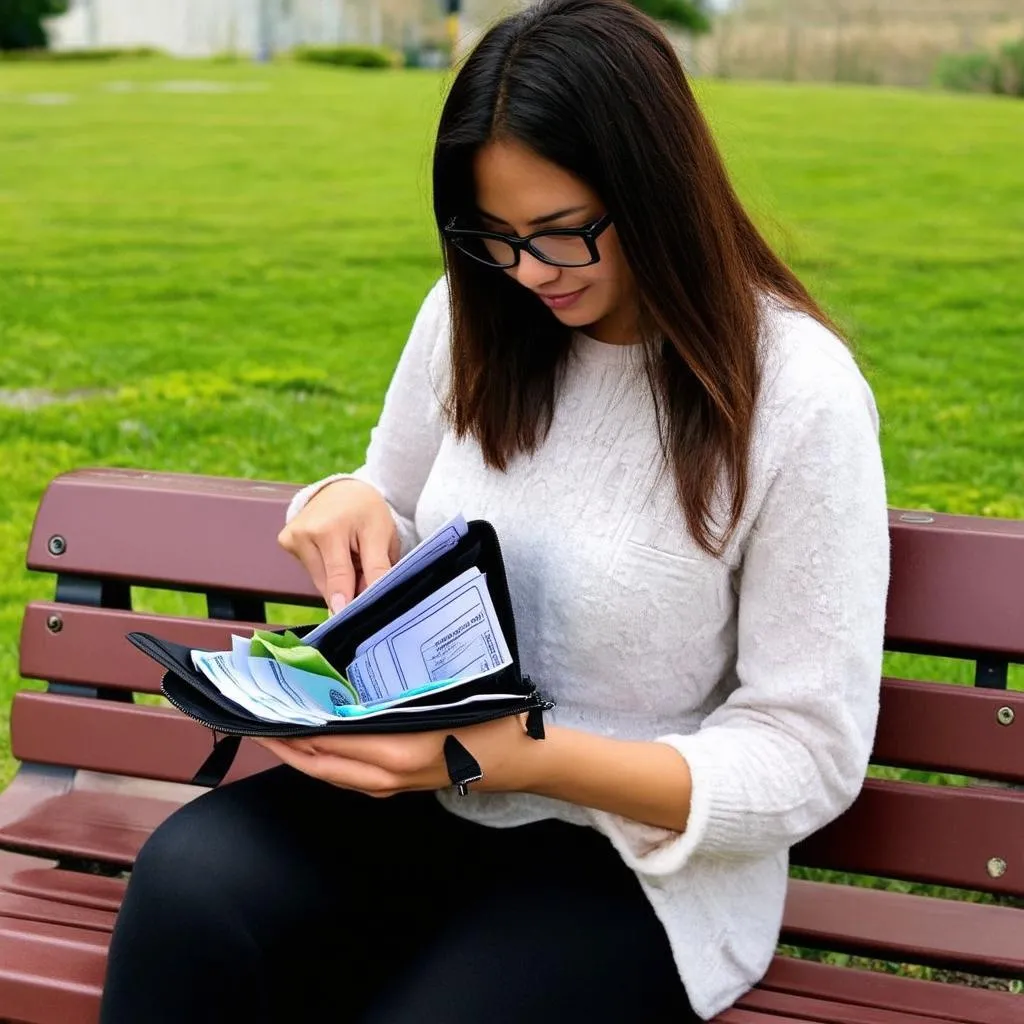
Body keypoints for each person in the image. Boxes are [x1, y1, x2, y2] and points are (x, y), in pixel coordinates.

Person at [99, 0, 889, 1020]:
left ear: (658, 189)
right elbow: (386, 495)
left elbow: (806, 754)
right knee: (190, 884)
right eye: (492, 236)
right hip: (426, 796)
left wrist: (513, 756)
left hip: (630, 863)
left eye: (562, 236)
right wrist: (340, 501)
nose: (526, 273)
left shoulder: (795, 394)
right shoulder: (476, 314)